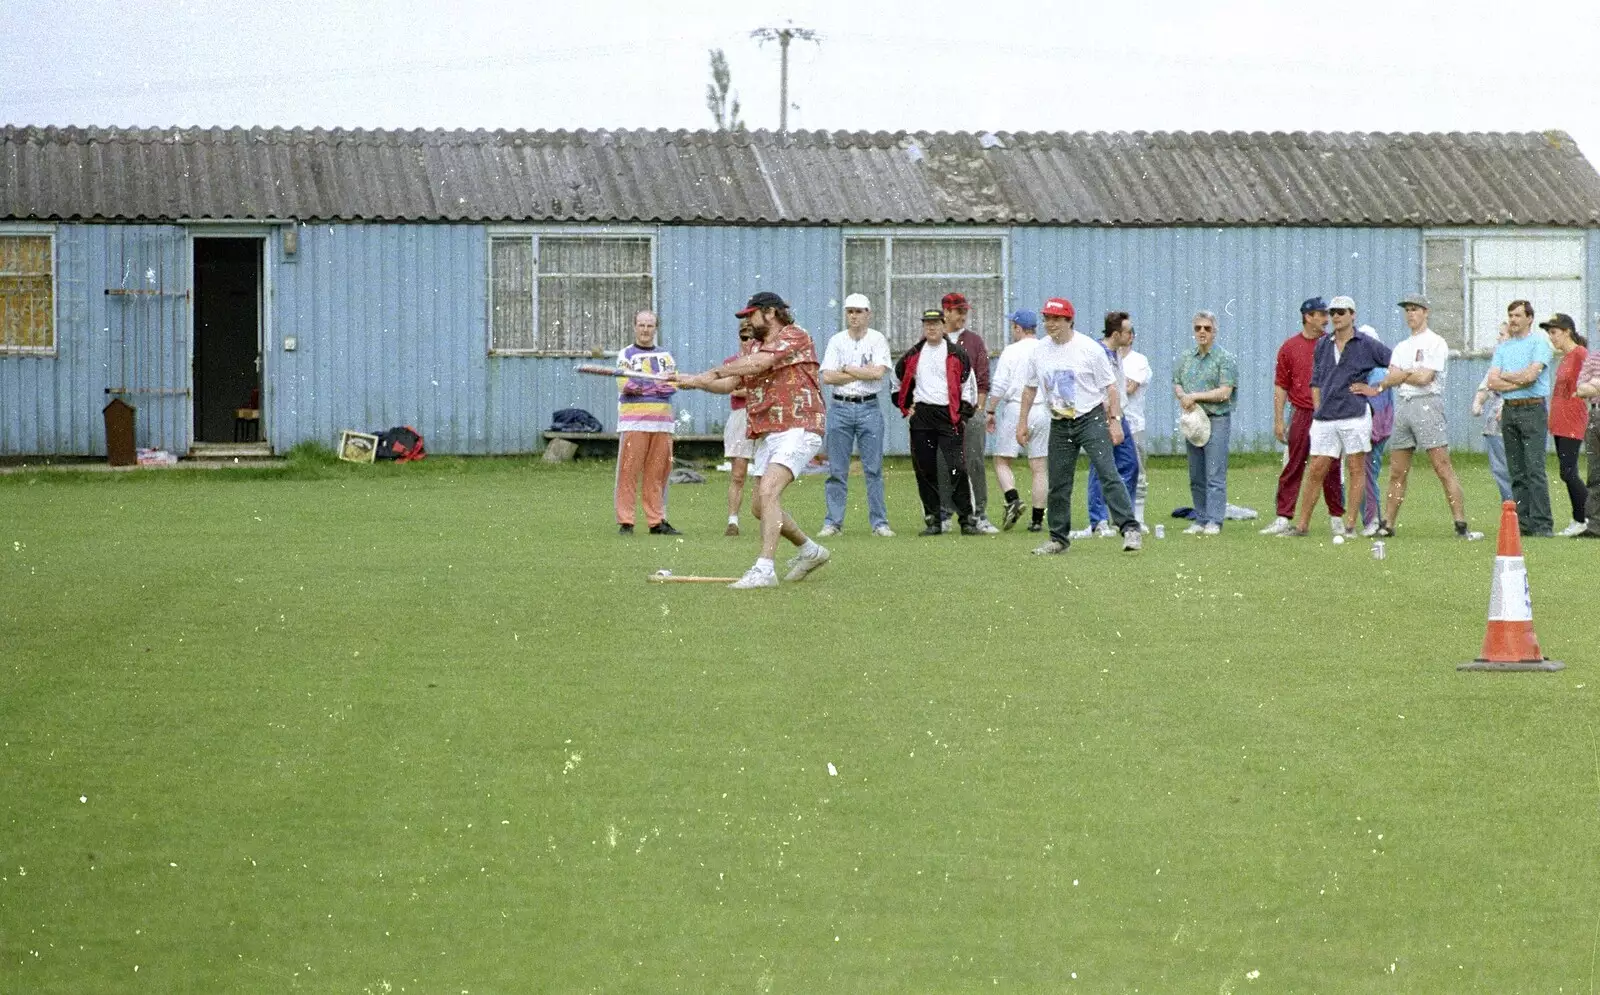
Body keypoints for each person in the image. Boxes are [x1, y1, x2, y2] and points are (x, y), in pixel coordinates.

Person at [675, 291, 831, 589]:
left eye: (751, 314)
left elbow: (757, 365)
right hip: (768, 432)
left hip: (799, 426)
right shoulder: (756, 348)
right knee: (760, 507)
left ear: (770, 313)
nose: (748, 321)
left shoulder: (795, 336)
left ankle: (764, 569)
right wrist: (693, 382)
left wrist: (709, 372)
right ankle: (810, 551)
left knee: (769, 491)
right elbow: (730, 384)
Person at [1016, 297, 1141, 554]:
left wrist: (1115, 422)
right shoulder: (1038, 351)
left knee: (1108, 472)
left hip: (1090, 417)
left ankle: (1129, 529)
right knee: (1059, 482)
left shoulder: (1088, 348)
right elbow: (1029, 389)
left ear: (1069, 320)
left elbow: (1111, 387)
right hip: (1060, 422)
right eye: (1047, 319)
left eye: (1056, 319)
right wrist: (1022, 422)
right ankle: (1058, 538)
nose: (1050, 324)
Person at [1365, 295, 1480, 540]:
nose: (1410, 314)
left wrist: (1403, 374)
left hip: (1427, 403)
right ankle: (1388, 523)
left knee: (1441, 466)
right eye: (1407, 310)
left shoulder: (1435, 342)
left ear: (1425, 312)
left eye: (1415, 309)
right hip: (1404, 405)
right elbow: (1389, 379)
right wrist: (1407, 374)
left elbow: (1424, 378)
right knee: (1397, 470)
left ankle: (1460, 523)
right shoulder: (1401, 346)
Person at [1282, 295, 1390, 538]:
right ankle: (1302, 525)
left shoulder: (1367, 344)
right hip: (1326, 418)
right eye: (1332, 313)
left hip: (1354, 414)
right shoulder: (1323, 344)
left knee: (1355, 467)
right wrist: (1319, 408)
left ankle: (1350, 524)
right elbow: (1316, 380)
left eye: (1341, 312)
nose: (1335, 317)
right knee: (1316, 468)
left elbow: (1395, 365)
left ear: (1353, 314)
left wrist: (1377, 388)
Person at [895, 309, 982, 536]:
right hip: (922, 416)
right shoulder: (913, 354)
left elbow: (969, 387)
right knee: (925, 469)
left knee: (957, 467)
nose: (931, 328)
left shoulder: (957, 354)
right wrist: (905, 407)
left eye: (935, 323)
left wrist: (962, 415)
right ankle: (933, 520)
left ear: (944, 326)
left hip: (948, 416)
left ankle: (967, 519)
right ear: (923, 327)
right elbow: (897, 381)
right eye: (927, 324)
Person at [1262, 298, 1345, 534]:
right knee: (1293, 464)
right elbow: (1281, 386)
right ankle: (1283, 516)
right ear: (1308, 317)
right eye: (1321, 314)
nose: (1326, 319)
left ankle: (1336, 517)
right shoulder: (1289, 347)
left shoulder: (1333, 345)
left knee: (1331, 465)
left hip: (1328, 415)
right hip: (1301, 414)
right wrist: (1279, 420)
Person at [818, 293, 894, 537]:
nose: (854, 316)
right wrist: (861, 372)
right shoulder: (837, 341)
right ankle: (833, 522)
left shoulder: (877, 339)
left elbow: (878, 374)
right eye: (850, 311)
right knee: (837, 470)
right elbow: (828, 377)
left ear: (868, 314)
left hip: (868, 407)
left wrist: (848, 369)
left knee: (873, 468)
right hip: (840, 407)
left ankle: (879, 523)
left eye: (859, 311)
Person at [1487, 299, 1555, 537]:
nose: (1513, 320)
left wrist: (1507, 377)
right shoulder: (1504, 348)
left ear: (1529, 319)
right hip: (1510, 410)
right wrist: (1515, 379)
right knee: (1516, 470)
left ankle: (1542, 524)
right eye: (1511, 316)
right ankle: (1524, 523)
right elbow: (1492, 381)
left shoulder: (1539, 343)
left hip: (1532, 409)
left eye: (1518, 316)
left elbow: (1531, 376)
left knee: (1534, 468)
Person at [614, 310, 680, 536]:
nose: (645, 330)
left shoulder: (665, 356)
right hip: (634, 423)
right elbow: (626, 385)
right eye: (641, 325)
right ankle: (626, 521)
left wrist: (648, 386)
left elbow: (671, 385)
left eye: (649, 325)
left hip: (662, 424)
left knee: (658, 474)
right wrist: (651, 387)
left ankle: (657, 521)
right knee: (628, 472)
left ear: (656, 328)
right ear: (634, 327)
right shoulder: (626, 354)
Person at [937, 292, 998, 533]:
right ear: (946, 312)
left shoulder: (974, 342)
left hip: (970, 412)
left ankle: (979, 514)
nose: (963, 316)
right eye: (958, 311)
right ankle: (945, 513)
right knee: (942, 463)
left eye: (965, 311)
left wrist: (979, 409)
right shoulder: (933, 340)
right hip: (941, 415)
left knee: (973, 461)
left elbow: (983, 377)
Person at [1173, 310, 1238, 535]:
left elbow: (1225, 392)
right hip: (1194, 419)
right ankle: (1200, 518)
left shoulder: (1224, 358)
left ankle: (1214, 520)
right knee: (1196, 473)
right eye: (1198, 328)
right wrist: (1182, 396)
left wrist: (1195, 397)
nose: (1202, 332)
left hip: (1216, 417)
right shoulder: (1185, 357)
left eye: (1207, 328)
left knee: (1214, 472)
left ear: (1214, 332)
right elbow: (1177, 382)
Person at [985, 309, 1048, 531]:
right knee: (1039, 466)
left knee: (1002, 460)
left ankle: (1012, 499)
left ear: (1018, 328)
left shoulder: (1011, 351)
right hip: (1042, 409)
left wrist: (990, 410)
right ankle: (1037, 520)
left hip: (1016, 408)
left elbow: (1000, 384)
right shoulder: (1045, 349)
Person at [1081, 312, 1141, 538]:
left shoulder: (1116, 353)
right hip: (1102, 414)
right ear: (1116, 334)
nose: (1131, 335)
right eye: (1128, 332)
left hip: (1120, 414)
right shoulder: (1098, 353)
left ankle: (1123, 514)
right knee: (1102, 467)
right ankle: (1098, 520)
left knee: (1129, 464)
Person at [1543, 313, 1590, 536]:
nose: (1551, 337)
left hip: (1573, 419)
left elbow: (1589, 379)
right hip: (1560, 421)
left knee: (1569, 471)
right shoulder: (1564, 358)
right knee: (1566, 471)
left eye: (1554, 332)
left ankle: (1586, 517)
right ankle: (1581, 517)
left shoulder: (1580, 354)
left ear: (1567, 331)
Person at [720, 318, 758, 536]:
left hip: (761, 415)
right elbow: (733, 390)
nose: (748, 342)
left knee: (764, 471)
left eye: (752, 338)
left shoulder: (763, 361)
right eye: (744, 338)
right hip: (741, 415)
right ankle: (733, 520)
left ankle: (764, 514)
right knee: (738, 472)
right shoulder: (732, 362)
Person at [1472, 322, 1515, 503]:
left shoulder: (1518, 361)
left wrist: (1507, 405)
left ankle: (1518, 507)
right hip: (1494, 422)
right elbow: (1486, 387)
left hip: (1512, 417)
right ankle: (1509, 507)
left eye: (1502, 334)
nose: (1498, 338)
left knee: (1510, 466)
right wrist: (1478, 403)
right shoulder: (1497, 363)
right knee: (1499, 467)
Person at [1120, 326, 1153, 530]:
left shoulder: (1138, 360)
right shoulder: (1107, 357)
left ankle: (1138, 518)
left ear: (1131, 336)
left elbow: (1130, 388)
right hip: (1110, 422)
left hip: (1133, 424)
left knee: (1137, 472)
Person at [1574, 329, 1600, 538]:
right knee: (1595, 473)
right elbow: (1580, 389)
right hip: (1595, 416)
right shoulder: (1594, 358)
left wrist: (1594, 385)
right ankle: (1595, 526)